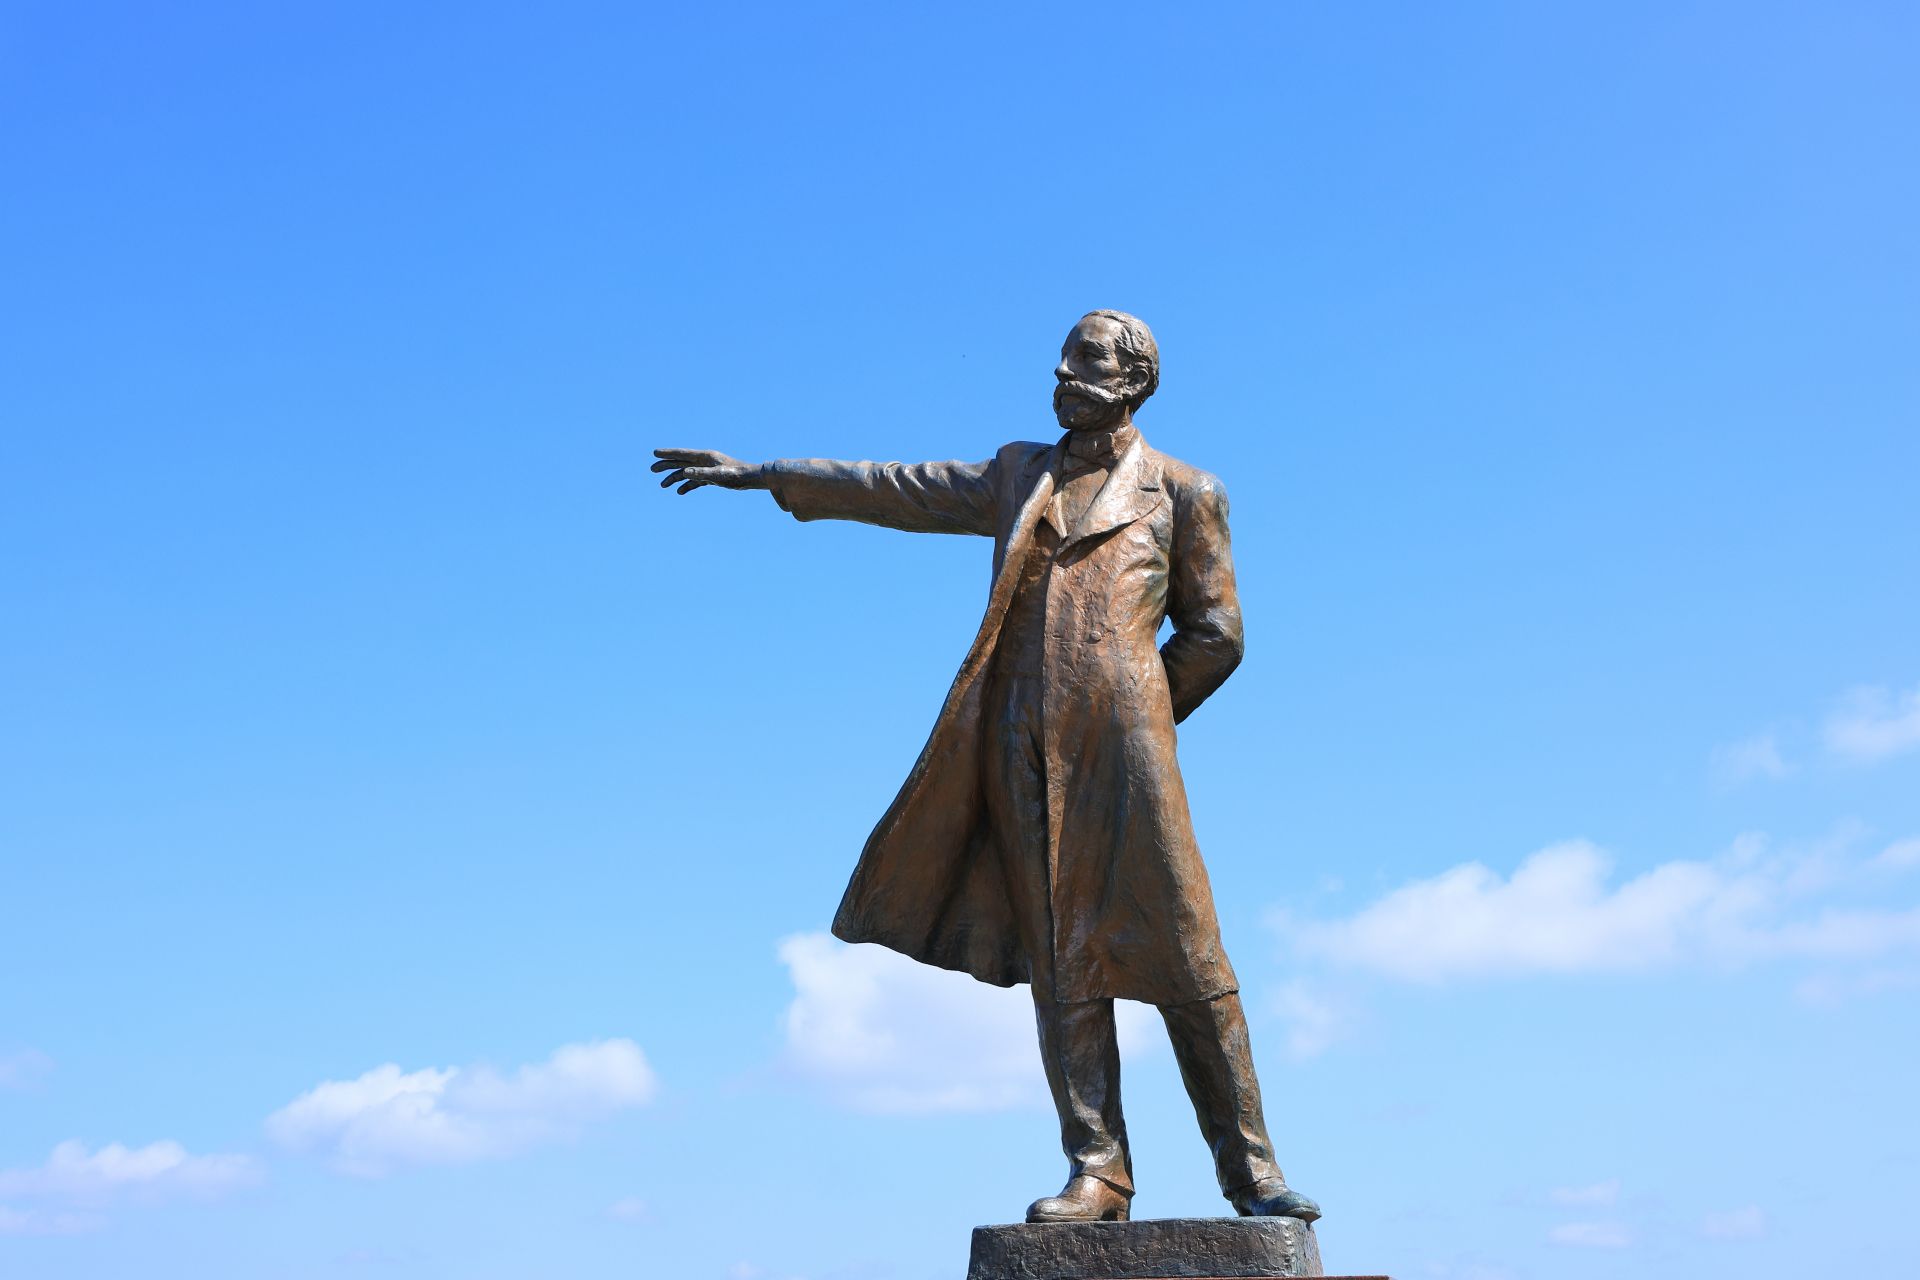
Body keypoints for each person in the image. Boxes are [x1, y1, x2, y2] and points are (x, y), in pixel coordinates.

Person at [653, 310, 1318, 1225]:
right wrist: (769, 473)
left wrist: (1138, 713)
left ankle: (1252, 1170)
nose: (1062, 372)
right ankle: (1099, 1171)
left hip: (1126, 750)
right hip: (1017, 744)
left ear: (1133, 381)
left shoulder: (1184, 490)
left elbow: (1217, 634)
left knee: (1188, 951)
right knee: (1060, 958)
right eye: (1064, 358)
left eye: (1086, 360)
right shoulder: (1018, 474)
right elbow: (900, 487)